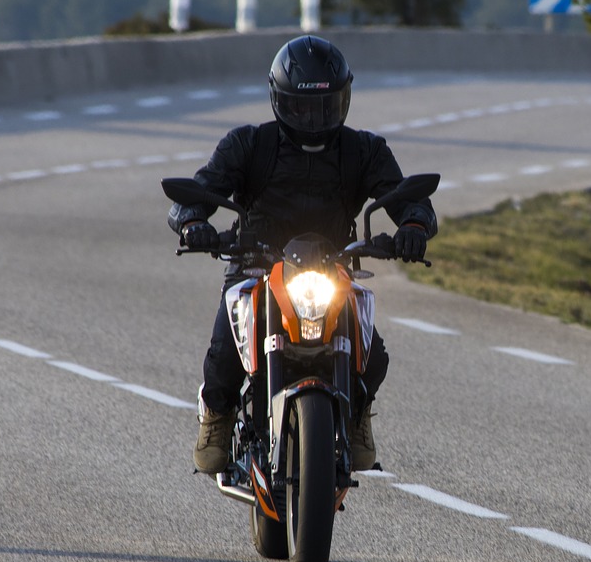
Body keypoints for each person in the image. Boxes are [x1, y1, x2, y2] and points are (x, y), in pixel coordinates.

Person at [167, 34, 436, 475]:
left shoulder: (364, 150)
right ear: (279, 100)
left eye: (326, 106)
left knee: (375, 355)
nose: (314, 117)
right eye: (302, 106)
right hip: (256, 265)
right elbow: (196, 194)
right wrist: (193, 222)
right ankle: (216, 416)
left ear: (344, 99)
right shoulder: (248, 144)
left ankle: (357, 413)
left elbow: (410, 200)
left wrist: (413, 227)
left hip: (332, 268)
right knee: (225, 348)